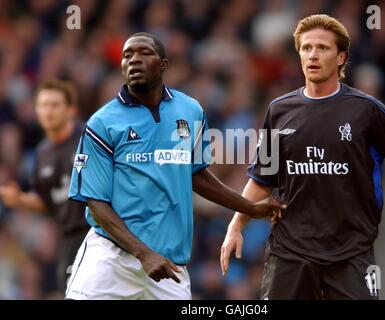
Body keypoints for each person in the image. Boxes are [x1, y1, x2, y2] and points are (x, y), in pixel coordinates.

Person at [220, 14, 385, 300]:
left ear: (341, 57)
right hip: (290, 251)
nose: (313, 55)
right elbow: (262, 178)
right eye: (306, 48)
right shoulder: (278, 110)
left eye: (323, 48)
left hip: (351, 252)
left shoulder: (367, 111)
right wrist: (236, 225)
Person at [65, 32, 285, 300]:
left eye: (144, 53)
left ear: (163, 64)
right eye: (127, 55)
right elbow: (96, 204)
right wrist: (143, 253)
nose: (134, 60)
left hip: (169, 265)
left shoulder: (189, 110)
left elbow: (196, 175)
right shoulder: (102, 123)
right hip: (112, 259)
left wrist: (249, 207)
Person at [0, 80, 90, 295]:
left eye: (55, 105)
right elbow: (48, 201)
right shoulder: (43, 154)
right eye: (43, 105)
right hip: (71, 239)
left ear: (71, 110)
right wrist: (20, 199)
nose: (48, 111)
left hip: (103, 234)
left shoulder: (90, 139)